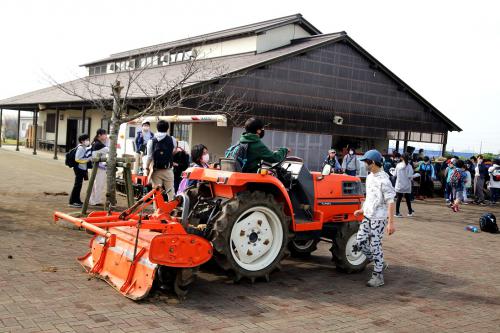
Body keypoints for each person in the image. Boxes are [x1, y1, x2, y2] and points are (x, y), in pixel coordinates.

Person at [353, 149, 396, 288]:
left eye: (366, 162)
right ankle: (380, 262)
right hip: (368, 216)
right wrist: (362, 209)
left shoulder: (384, 180)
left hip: (379, 218)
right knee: (359, 241)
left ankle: (378, 276)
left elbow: (390, 201)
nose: (364, 164)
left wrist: (391, 223)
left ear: (372, 162)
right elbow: (370, 197)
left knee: (375, 245)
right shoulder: (370, 176)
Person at [144, 120, 177, 200]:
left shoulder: (151, 141)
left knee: (157, 193)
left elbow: (149, 157)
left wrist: (147, 167)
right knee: (171, 192)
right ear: (167, 128)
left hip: (156, 170)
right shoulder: (172, 139)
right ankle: (170, 211)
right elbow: (174, 150)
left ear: (157, 128)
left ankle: (157, 211)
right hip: (168, 170)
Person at [69, 134, 92, 208]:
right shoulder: (81, 148)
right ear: (82, 141)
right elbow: (77, 159)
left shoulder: (83, 147)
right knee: (77, 185)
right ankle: (73, 201)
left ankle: (77, 200)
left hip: (81, 168)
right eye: (87, 140)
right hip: (79, 168)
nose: (88, 141)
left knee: (79, 185)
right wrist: (87, 160)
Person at [89, 129, 109, 206]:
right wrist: (108, 142)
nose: (106, 136)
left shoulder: (94, 142)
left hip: (94, 167)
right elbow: (109, 150)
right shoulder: (99, 144)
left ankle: (92, 200)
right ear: (99, 135)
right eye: (104, 134)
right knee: (99, 184)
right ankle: (96, 200)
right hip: (99, 167)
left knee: (94, 184)